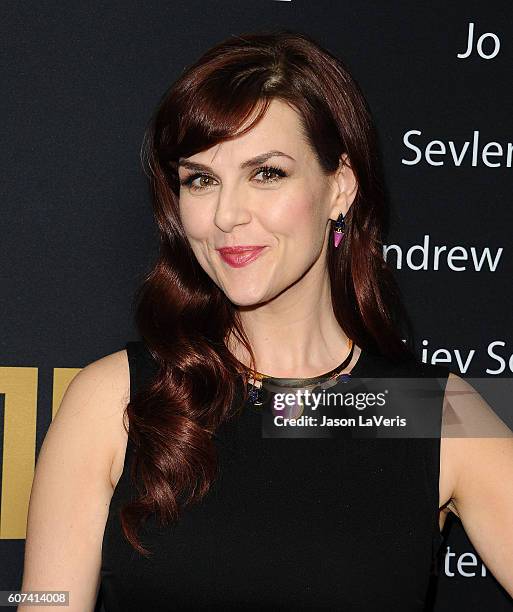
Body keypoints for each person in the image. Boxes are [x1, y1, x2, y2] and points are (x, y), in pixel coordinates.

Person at [20, 30, 513, 611]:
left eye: (267, 173)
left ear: (341, 188)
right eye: (201, 179)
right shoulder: (116, 398)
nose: (227, 215)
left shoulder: (425, 410)